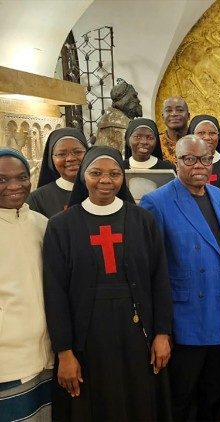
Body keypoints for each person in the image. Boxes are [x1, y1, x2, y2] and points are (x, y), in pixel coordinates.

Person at [42, 146, 171, 421]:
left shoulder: (143, 220)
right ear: (82, 177)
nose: (105, 180)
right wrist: (64, 352)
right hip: (87, 342)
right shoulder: (60, 226)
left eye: (114, 173)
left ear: (122, 177)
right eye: (95, 173)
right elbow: (55, 294)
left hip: (137, 337)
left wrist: (162, 333)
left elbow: (159, 280)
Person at [141, 135, 220, 421]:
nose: (198, 165)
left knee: (214, 395)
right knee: (183, 398)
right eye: (189, 159)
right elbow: (153, 269)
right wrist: (161, 329)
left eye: (205, 158)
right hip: (185, 317)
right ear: (176, 161)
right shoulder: (157, 202)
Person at [0, 148, 54, 421]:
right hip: (8, 361)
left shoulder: (41, 224)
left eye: (21, 177)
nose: (14, 186)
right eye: (2, 180)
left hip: (47, 356)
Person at [27, 128, 89, 218]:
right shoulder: (37, 199)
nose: (70, 158)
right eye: (61, 154)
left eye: (77, 152)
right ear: (51, 159)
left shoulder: (103, 190)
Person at [189, 114, 220, 188]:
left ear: (218, 137)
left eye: (212, 133)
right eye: (201, 133)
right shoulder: (186, 164)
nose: (207, 137)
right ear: (192, 136)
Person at [160, 96, 191, 164]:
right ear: (163, 117)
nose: (174, 114)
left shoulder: (198, 141)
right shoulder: (156, 142)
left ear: (188, 116)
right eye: (168, 110)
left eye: (179, 110)